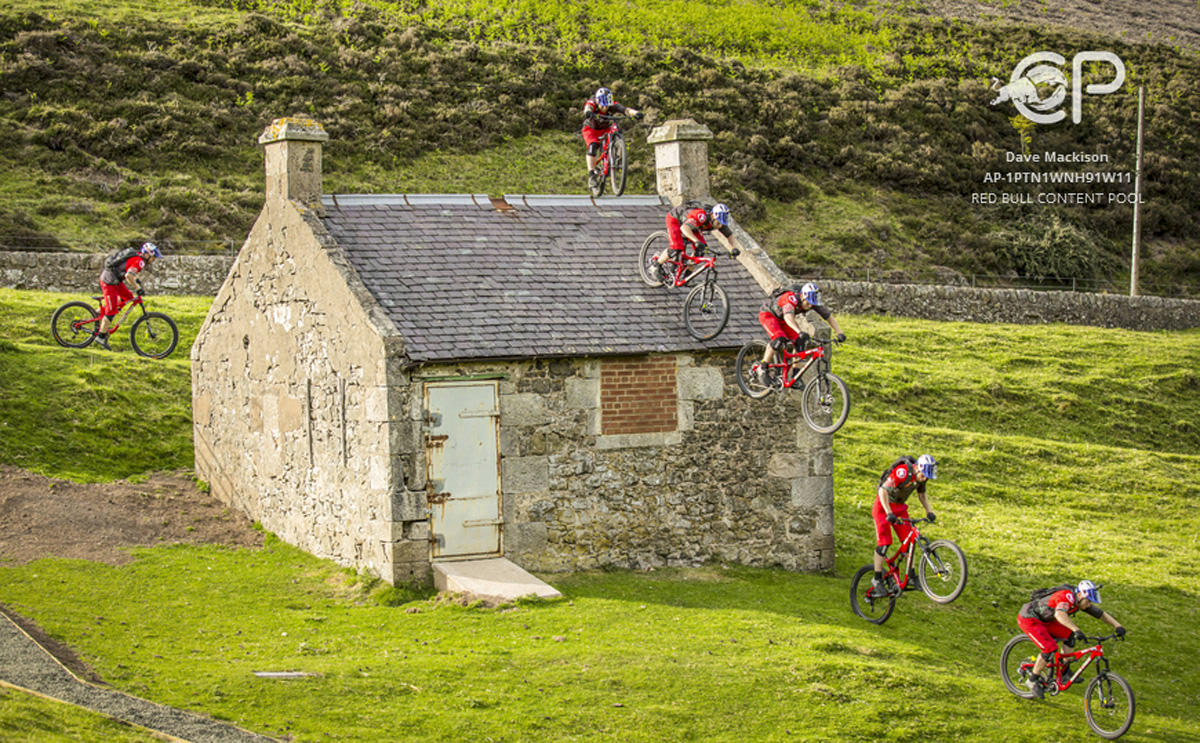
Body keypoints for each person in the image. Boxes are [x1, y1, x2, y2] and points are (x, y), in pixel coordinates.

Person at [1017, 580, 1126, 699]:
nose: (1089, 605)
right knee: (1050, 648)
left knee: (1069, 636)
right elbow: (1059, 615)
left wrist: (1118, 626)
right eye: (1088, 601)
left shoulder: (1080, 600)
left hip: (1046, 620)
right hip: (1030, 618)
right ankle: (1032, 680)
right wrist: (1076, 629)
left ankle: (1064, 672)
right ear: (1080, 595)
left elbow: (1100, 614)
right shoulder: (1066, 597)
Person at [870, 454, 937, 596]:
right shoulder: (903, 472)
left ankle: (911, 576)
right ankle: (877, 579)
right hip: (884, 506)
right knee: (884, 542)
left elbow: (922, 495)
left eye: (927, 477)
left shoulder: (922, 477)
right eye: (923, 476)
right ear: (918, 469)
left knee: (909, 540)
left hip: (899, 507)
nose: (925, 479)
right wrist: (888, 512)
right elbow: (882, 490)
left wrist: (929, 511)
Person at [755, 282, 845, 385]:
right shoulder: (790, 298)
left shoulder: (812, 301)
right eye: (808, 303)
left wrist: (840, 333)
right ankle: (762, 367)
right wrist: (799, 331)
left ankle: (795, 374)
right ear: (802, 297)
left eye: (812, 304)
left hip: (782, 319)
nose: (810, 305)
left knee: (800, 340)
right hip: (768, 315)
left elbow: (828, 317)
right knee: (778, 338)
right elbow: (788, 317)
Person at [653, 201, 742, 281]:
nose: (719, 227)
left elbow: (729, 236)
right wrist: (696, 241)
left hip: (693, 226)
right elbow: (684, 228)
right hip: (676, 220)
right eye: (718, 223)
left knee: (701, 250)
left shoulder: (720, 222)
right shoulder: (701, 216)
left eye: (721, 225)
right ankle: (656, 266)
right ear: (712, 216)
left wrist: (734, 248)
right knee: (676, 247)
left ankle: (687, 277)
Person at [97, 241, 161, 350]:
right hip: (109, 281)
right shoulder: (140, 262)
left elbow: (129, 271)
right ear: (147, 254)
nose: (153, 260)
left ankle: (102, 314)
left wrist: (136, 281)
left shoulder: (137, 257)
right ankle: (101, 336)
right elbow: (129, 276)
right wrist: (138, 288)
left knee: (129, 297)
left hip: (115, 279)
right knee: (111, 311)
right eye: (153, 258)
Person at [581, 87, 643, 189]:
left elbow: (625, 110)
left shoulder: (612, 105)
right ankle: (591, 175)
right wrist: (588, 112)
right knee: (592, 147)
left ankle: (617, 157)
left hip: (605, 128)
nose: (605, 108)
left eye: (607, 106)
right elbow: (588, 107)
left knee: (618, 132)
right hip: (591, 129)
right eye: (602, 105)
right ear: (597, 101)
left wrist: (636, 113)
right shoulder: (592, 103)